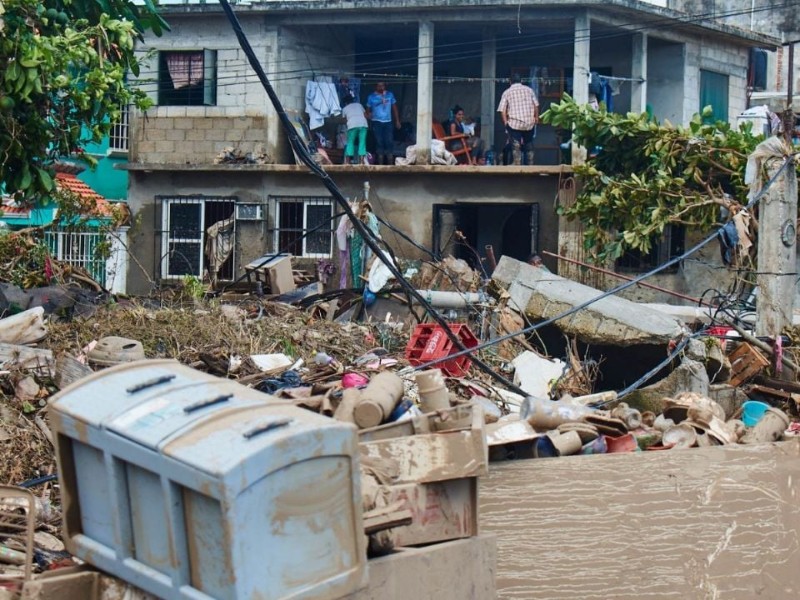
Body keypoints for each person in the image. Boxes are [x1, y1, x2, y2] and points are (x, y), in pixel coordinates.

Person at [497, 72, 539, 166]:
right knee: (529, 144)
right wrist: (536, 117)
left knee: (516, 145)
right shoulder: (529, 90)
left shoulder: (507, 92)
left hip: (514, 123)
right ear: (521, 81)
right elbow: (536, 105)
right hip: (529, 123)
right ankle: (530, 165)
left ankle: (517, 164)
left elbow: (502, 110)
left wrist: (505, 122)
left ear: (510, 82)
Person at [366, 81, 401, 165]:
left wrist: (397, 121)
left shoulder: (390, 95)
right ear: (376, 87)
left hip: (388, 121)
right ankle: (380, 163)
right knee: (379, 141)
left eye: (383, 85)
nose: (381, 87)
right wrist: (369, 115)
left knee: (389, 141)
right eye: (379, 86)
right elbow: (367, 110)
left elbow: (394, 108)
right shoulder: (371, 97)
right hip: (376, 122)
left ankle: (390, 162)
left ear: (385, 86)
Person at [340, 94, 369, 165]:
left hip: (352, 125)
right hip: (363, 124)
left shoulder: (344, 109)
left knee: (350, 142)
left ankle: (347, 162)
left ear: (345, 103)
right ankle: (362, 161)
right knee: (362, 142)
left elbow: (344, 120)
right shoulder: (359, 105)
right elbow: (366, 115)